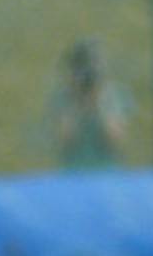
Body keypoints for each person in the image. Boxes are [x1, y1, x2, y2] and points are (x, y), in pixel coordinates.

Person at [46, 38, 133, 170]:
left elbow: (116, 139)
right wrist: (77, 102)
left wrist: (100, 102)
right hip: (73, 172)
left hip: (108, 172)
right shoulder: (63, 98)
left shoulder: (113, 95)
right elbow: (64, 139)